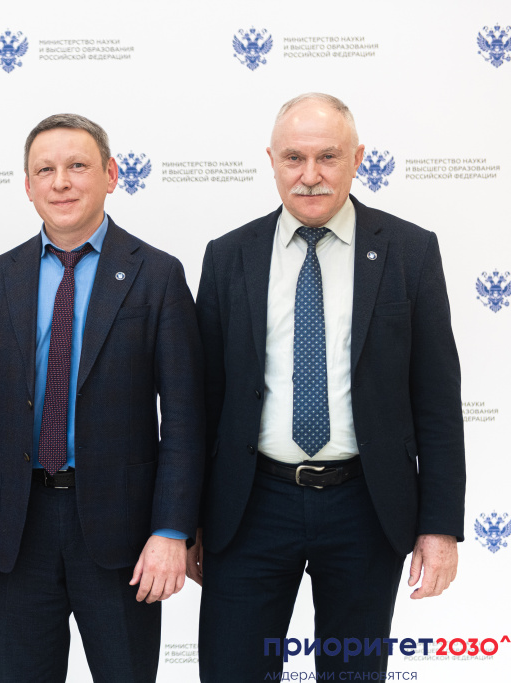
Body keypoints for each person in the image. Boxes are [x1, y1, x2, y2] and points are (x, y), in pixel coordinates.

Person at [189, 93, 465, 680]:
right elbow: (201, 404)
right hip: (249, 506)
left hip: (366, 505)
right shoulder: (228, 256)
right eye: (294, 157)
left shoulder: (411, 252)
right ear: (272, 161)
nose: (310, 175)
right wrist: (185, 522)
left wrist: (440, 526)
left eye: (328, 157)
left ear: (357, 158)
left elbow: (437, 402)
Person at [0, 113, 204, 683]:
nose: (61, 182)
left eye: (78, 166)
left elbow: (186, 420)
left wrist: (171, 530)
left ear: (111, 175)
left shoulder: (157, 275)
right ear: (28, 185)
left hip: (122, 533)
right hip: (18, 528)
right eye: (46, 170)